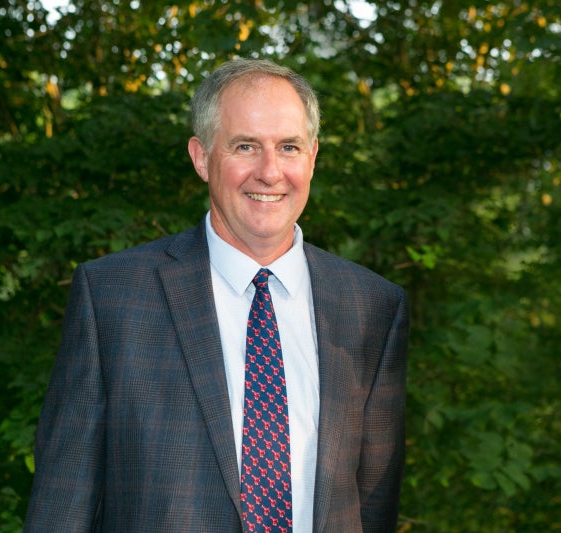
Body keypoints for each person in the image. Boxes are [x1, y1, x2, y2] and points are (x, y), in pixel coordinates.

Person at [24, 58, 409, 532]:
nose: (270, 172)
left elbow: (373, 508)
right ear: (202, 157)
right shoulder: (112, 300)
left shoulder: (372, 307)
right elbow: (62, 509)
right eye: (245, 146)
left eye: (288, 147)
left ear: (312, 157)